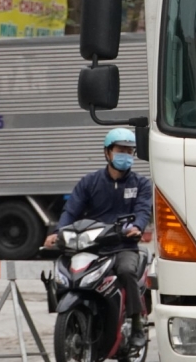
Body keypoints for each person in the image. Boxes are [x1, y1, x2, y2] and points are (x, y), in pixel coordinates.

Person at [44, 128, 153, 349]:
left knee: (126, 271)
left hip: (123, 245)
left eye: (129, 151)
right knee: (68, 270)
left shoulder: (140, 184)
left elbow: (143, 211)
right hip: (92, 245)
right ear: (107, 152)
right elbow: (71, 211)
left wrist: (137, 227)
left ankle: (135, 327)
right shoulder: (90, 182)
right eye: (120, 150)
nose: (125, 155)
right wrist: (57, 233)